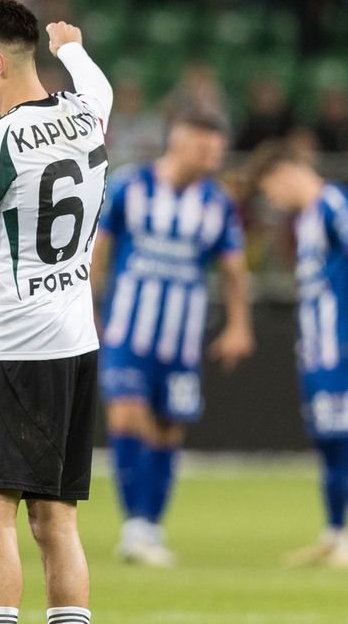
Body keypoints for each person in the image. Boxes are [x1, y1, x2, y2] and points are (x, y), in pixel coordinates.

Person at [0, 0, 111, 624]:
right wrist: (71, 46)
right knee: (56, 516)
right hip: (76, 341)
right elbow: (97, 85)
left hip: (15, 347)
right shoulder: (87, 115)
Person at [91, 107, 253, 567]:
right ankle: (135, 527)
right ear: (180, 141)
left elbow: (234, 269)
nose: (214, 157)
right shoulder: (130, 186)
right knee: (125, 417)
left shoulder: (217, 203)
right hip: (127, 331)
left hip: (181, 340)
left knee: (167, 429)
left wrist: (240, 324)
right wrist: (88, 307)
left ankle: (151, 528)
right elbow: (99, 249)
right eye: (207, 147)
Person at [245, 138, 348, 570]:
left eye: (270, 189)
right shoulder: (307, 220)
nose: (271, 200)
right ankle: (334, 536)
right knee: (328, 444)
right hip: (315, 353)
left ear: (286, 172)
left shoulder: (335, 203)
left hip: (345, 347)